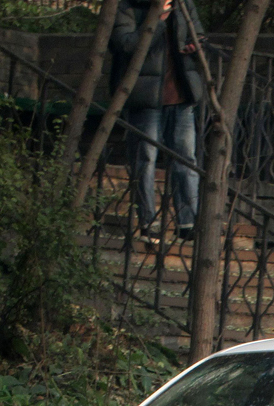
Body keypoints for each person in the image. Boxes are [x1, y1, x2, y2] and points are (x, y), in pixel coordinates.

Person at [110, 0, 206, 242]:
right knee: (146, 158)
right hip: (145, 96)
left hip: (181, 94)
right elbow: (125, 45)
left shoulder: (183, 5)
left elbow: (198, 32)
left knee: (186, 158)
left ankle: (188, 222)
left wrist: (196, 45)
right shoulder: (128, 6)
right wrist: (157, 20)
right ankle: (148, 222)